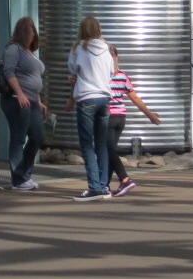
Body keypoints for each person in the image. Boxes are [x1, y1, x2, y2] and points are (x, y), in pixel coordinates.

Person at [68, 15, 115, 201]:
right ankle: (103, 185)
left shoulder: (78, 49)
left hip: (86, 99)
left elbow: (72, 70)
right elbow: (111, 72)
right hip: (104, 99)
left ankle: (94, 187)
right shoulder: (107, 50)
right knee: (101, 144)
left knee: (87, 144)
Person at [0, 16, 47, 191]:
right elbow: (9, 71)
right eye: (27, 31)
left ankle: (25, 174)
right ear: (20, 33)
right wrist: (19, 93)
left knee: (38, 136)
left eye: (32, 30)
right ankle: (19, 179)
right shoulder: (14, 49)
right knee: (18, 137)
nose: (31, 34)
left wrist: (39, 101)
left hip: (33, 101)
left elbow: (34, 79)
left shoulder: (31, 53)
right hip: (16, 100)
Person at [106, 48, 161, 196]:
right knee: (110, 150)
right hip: (120, 119)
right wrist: (149, 114)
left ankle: (124, 179)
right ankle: (104, 184)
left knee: (108, 150)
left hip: (109, 118)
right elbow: (134, 98)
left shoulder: (103, 76)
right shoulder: (123, 76)